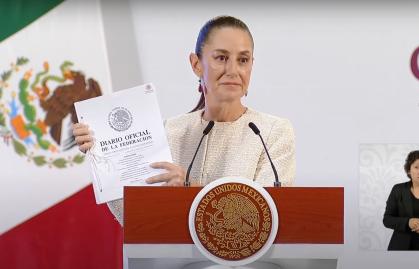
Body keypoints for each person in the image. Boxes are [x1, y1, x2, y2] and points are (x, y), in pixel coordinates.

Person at [72, 16, 296, 225]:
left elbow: (266, 219)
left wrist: (192, 189)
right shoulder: (170, 131)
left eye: (243, 60)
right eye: (221, 57)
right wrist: (102, 153)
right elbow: (133, 218)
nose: (233, 70)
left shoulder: (272, 132)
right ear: (196, 64)